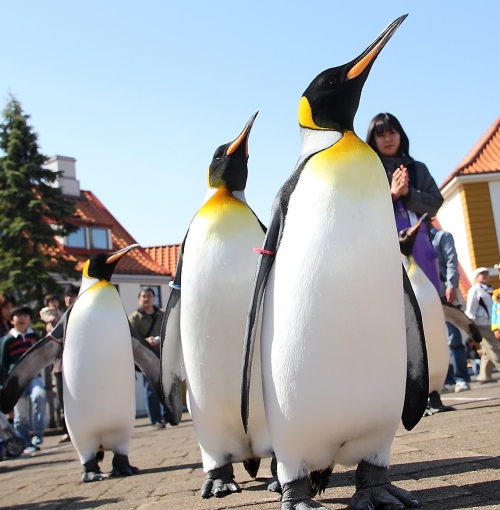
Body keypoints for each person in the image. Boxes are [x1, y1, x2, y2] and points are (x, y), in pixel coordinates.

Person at [366, 113, 444, 291]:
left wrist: (408, 193)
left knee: (429, 305)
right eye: (381, 135)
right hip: (384, 250)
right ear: (373, 139)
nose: (387, 139)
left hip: (421, 250)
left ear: (401, 135)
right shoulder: (368, 170)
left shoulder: (418, 170)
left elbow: (435, 204)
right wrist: (392, 194)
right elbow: (362, 212)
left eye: (392, 133)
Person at [430, 226, 471, 392]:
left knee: (453, 337)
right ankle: (442, 380)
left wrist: (451, 285)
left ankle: (461, 377)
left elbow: (451, 261)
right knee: (434, 340)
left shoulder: (441, 236)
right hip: (428, 296)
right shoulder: (417, 241)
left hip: (445, 293)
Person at [1, 305, 46, 452]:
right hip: (16, 381)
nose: (22, 318)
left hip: (34, 375)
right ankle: (26, 441)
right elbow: (3, 363)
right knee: (20, 412)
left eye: (25, 316)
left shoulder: (34, 337)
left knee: (39, 395)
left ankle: (38, 433)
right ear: (11, 320)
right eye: (18, 315)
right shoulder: (8, 340)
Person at [128, 288, 166, 429]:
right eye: (144, 296)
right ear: (139, 299)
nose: (147, 299)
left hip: (163, 355)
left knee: (167, 387)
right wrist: (146, 340)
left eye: (149, 296)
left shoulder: (162, 314)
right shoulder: (134, 318)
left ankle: (168, 415)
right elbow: (130, 337)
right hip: (146, 358)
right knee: (151, 389)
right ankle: (156, 420)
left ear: (154, 298)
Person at [53, 285, 80, 443]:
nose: (69, 298)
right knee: (63, 400)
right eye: (67, 296)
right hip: (60, 365)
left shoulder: (82, 314)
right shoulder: (59, 317)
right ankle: (67, 430)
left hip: (78, 364)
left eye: (72, 295)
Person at [466, 267, 499, 383]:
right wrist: (471, 328)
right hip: (481, 325)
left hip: (491, 324)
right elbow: (470, 311)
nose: (485, 276)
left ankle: (484, 376)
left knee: (487, 351)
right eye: (482, 274)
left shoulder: (490, 289)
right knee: (495, 348)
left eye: (486, 274)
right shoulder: (474, 291)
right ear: (476, 277)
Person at [0, 293, 17, 388]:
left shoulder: (15, 326)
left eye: (12, 308)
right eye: (6, 308)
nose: (9, 311)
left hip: (10, 371)